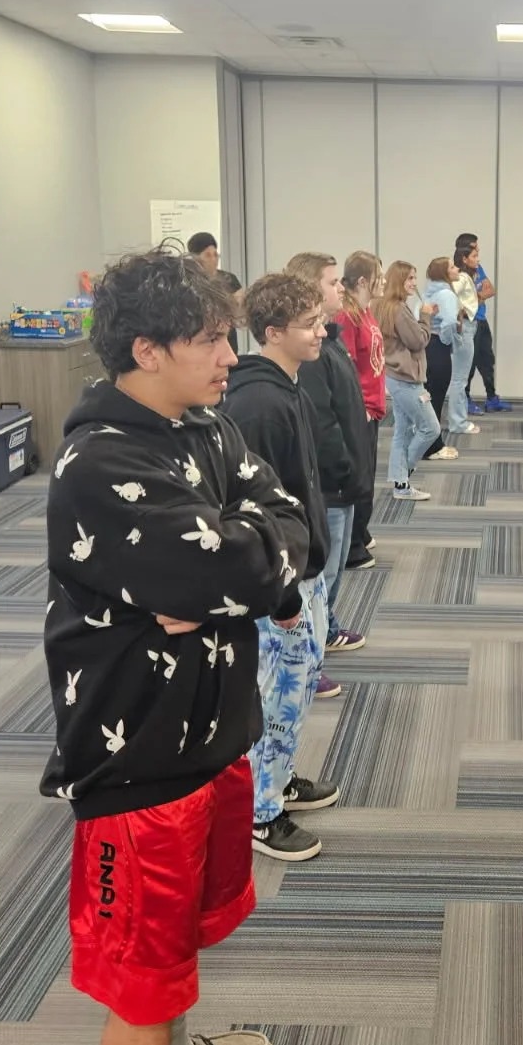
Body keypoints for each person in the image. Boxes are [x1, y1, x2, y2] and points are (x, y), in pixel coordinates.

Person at [40, 249, 314, 1045]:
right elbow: (226, 563)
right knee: (140, 982)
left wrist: (235, 575)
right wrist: (227, 572)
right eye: (209, 339)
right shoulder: (100, 464)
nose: (229, 356)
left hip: (208, 731)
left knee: (181, 940)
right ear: (146, 349)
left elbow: (287, 525)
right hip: (136, 759)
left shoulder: (199, 424)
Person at [221, 271, 339, 862]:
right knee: (278, 688)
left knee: (301, 674)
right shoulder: (258, 402)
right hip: (278, 580)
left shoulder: (287, 384)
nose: (324, 331)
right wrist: (283, 593)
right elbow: (254, 513)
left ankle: (277, 776)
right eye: (311, 324)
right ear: (273, 332)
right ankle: (258, 810)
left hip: (302, 566)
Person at [287, 252, 373, 655]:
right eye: (332, 282)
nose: (341, 288)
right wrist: (345, 471)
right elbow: (323, 423)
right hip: (333, 485)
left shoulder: (330, 341)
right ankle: (311, 650)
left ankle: (326, 627)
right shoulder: (312, 356)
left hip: (345, 480)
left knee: (333, 572)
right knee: (324, 573)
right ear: (309, 290)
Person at [336, 250, 385, 572]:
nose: (384, 282)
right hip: (362, 409)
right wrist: (359, 409)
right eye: (379, 276)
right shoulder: (346, 316)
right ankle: (351, 547)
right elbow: (347, 367)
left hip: (372, 407)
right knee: (359, 480)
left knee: (368, 475)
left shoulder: (365, 312)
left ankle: (361, 533)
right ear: (364, 281)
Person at [375, 260, 439, 501]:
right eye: (409, 278)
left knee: (403, 431)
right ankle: (403, 474)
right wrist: (425, 318)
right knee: (429, 428)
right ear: (398, 281)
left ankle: (401, 485)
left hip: (394, 375)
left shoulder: (381, 306)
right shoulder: (398, 309)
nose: (414, 283)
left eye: (414, 277)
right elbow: (418, 341)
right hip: (405, 379)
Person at [456, 232, 511, 413]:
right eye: (475, 251)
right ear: (464, 254)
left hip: (481, 320)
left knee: (487, 360)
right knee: (468, 363)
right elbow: (462, 304)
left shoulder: (478, 268)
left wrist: (476, 298)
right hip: (468, 323)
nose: (478, 254)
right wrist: (478, 297)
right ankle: (466, 399)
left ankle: (491, 398)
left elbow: (491, 289)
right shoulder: (458, 274)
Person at [420, 256, 461, 462]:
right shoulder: (446, 294)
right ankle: (433, 447)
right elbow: (450, 322)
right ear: (444, 273)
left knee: (428, 397)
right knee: (436, 398)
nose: (457, 269)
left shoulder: (429, 291)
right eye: (452, 267)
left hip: (426, 346)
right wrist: (448, 341)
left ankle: (427, 443)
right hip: (438, 347)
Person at [186, 231, 241, 354]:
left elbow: (240, 308)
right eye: (208, 255)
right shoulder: (188, 282)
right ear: (195, 258)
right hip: (203, 342)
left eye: (216, 255)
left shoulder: (229, 278)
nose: (213, 259)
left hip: (228, 340)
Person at [449, 250, 480, 439]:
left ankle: (457, 420)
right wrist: (458, 310)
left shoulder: (468, 276)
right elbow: (450, 292)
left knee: (459, 378)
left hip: (467, 326)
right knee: (460, 379)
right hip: (465, 327)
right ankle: (458, 422)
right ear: (464, 259)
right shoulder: (462, 277)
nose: (478, 259)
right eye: (475, 255)